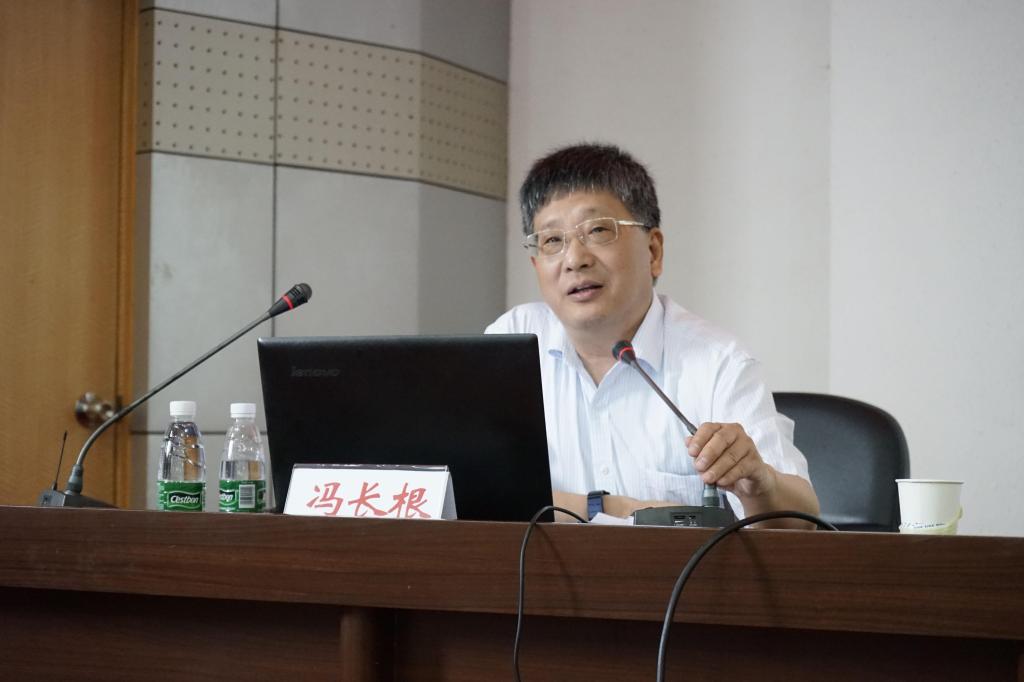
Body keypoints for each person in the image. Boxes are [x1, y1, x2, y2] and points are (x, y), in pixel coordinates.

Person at [486, 143, 819, 528]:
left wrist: (760, 485)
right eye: (552, 241)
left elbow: (802, 523)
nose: (574, 259)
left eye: (597, 230)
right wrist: (605, 508)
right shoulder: (510, 344)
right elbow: (471, 490)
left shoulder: (718, 363)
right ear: (536, 264)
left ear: (653, 251)